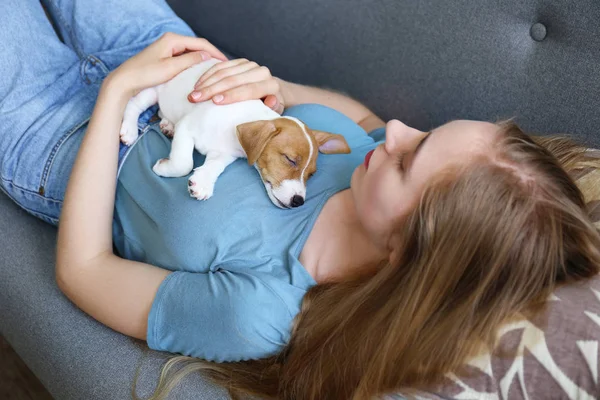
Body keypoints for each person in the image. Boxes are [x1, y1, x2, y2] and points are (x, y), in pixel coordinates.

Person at [2, 1, 600, 400]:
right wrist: (273, 85)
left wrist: (117, 94)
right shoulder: (370, 162)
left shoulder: (263, 310)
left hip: (67, 132)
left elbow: (84, 271)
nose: (396, 129)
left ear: (402, 249)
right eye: (425, 131)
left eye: (407, 159)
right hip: (174, 55)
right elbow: (363, 117)